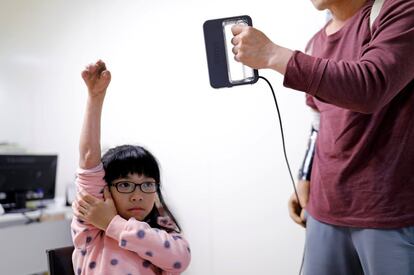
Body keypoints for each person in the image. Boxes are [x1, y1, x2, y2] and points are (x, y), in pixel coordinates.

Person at [230, 0, 414, 274]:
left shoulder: (401, 10)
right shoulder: (315, 42)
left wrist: (272, 54)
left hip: (388, 215)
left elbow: (370, 85)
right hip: (324, 210)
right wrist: (305, 176)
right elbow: (318, 122)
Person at [71, 60, 191, 275]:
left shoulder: (160, 230)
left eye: (146, 185)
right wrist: (95, 98)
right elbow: (89, 160)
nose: (137, 195)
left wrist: (112, 223)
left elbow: (180, 259)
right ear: (105, 189)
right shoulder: (92, 226)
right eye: (125, 185)